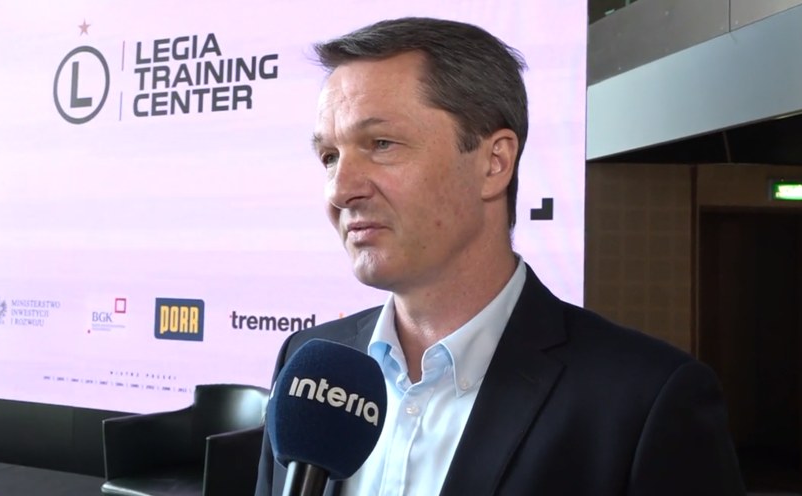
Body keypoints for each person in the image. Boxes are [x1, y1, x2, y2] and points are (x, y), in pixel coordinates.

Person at [256, 17, 746, 496]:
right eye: (329, 157)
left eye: (381, 144)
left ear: (495, 163)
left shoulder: (646, 401)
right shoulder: (305, 366)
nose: (340, 190)